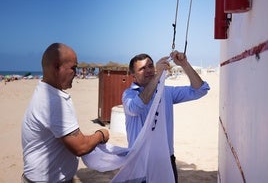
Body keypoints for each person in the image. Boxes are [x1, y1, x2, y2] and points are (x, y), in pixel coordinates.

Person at [21, 43, 109, 182]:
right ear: (57, 67)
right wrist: (101, 135)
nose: (76, 73)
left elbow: (63, 136)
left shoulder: (43, 92)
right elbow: (81, 147)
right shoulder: (55, 101)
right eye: (73, 68)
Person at [122, 51, 210, 182]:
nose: (148, 71)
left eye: (150, 66)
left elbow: (200, 90)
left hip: (166, 158)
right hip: (140, 160)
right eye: (142, 69)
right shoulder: (128, 95)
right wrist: (157, 76)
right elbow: (136, 107)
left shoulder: (166, 92)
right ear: (133, 75)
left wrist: (184, 65)